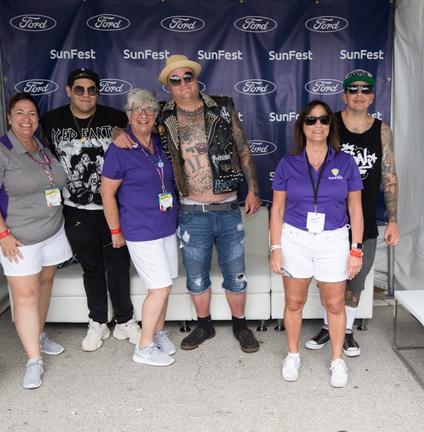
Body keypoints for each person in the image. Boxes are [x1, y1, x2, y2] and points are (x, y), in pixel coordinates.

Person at [112, 54, 261, 353]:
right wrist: (116, 132)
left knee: (235, 272)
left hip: (228, 207)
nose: (182, 84)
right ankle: (204, 326)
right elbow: (135, 125)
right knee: (196, 276)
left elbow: (242, 148)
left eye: (187, 77)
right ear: (168, 86)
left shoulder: (222, 106)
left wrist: (253, 189)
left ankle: (240, 326)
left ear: (195, 79)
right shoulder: (162, 114)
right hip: (191, 212)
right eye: (175, 80)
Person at [0, 92, 73, 389]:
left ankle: (39, 335)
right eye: (20, 113)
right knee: (25, 296)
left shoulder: (40, 145)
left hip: (52, 231)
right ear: (9, 117)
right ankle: (33, 360)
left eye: (31, 113)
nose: (26, 119)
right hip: (18, 239)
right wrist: (3, 235)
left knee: (44, 284)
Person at [40, 68, 140, 352]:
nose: (86, 95)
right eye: (79, 89)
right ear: (69, 90)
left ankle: (124, 321)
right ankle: (97, 322)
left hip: (115, 207)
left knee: (119, 267)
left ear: (98, 92)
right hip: (76, 209)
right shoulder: (51, 120)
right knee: (92, 267)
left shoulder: (116, 118)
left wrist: (122, 130)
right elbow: (44, 158)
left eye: (92, 89)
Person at [269, 100, 364, 388]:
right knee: (294, 301)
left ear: (330, 126)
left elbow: (356, 209)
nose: (318, 125)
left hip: (333, 240)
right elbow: (277, 210)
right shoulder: (288, 162)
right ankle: (293, 355)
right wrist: (275, 248)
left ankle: (337, 361)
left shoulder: (345, 162)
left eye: (323, 120)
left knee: (334, 304)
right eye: (311, 120)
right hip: (295, 239)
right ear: (302, 126)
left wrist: (356, 250)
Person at [306, 69, 401, 357]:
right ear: (345, 95)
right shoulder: (329, 123)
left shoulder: (382, 130)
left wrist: (393, 220)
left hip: (366, 216)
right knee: (329, 276)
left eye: (365, 89)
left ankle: (345, 331)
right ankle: (328, 326)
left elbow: (389, 174)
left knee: (356, 280)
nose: (359, 94)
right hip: (330, 217)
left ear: (372, 96)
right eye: (353, 89)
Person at [101, 89, 178, 367]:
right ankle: (143, 348)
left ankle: (157, 334)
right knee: (158, 288)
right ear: (128, 114)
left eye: (149, 110)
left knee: (166, 286)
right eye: (137, 110)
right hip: (140, 229)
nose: (143, 115)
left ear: (156, 115)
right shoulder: (119, 148)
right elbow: (107, 194)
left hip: (167, 226)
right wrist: (115, 231)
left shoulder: (159, 142)